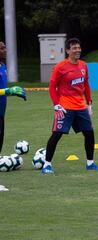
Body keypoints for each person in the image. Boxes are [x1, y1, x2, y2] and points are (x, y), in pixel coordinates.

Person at [42, 38, 98, 174]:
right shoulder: (60, 67)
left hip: (80, 106)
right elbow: (52, 87)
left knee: (89, 133)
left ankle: (90, 163)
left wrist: (89, 103)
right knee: (57, 134)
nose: (77, 50)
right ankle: (47, 165)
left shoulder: (83, 65)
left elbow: (86, 84)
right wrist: (56, 105)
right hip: (64, 106)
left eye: (79, 47)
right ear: (68, 51)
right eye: (74, 48)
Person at [0, 41, 27, 191]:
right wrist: (9, 91)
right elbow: (3, 91)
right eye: (2, 48)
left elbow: (2, 91)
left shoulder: (2, 67)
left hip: (1, 113)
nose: (5, 50)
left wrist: (12, 93)